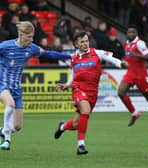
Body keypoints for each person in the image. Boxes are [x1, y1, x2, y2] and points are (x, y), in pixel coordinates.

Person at [0, 21, 71, 150]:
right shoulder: (5, 46)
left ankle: (3, 130)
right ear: (21, 35)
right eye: (29, 37)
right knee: (10, 104)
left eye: (32, 37)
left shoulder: (31, 48)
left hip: (17, 89)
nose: (31, 39)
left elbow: (50, 54)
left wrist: (70, 56)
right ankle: (7, 139)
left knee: (17, 127)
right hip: (2, 85)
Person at [54, 31, 128, 155]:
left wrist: (121, 63)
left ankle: (62, 127)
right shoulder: (73, 58)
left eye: (86, 40)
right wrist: (67, 85)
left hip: (92, 92)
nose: (85, 43)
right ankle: (81, 145)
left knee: (77, 123)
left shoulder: (96, 53)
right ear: (76, 45)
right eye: (82, 42)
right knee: (86, 110)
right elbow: (73, 75)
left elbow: (111, 59)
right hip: (78, 88)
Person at [118, 25, 148, 132]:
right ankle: (135, 113)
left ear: (136, 34)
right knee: (121, 92)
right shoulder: (126, 44)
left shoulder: (140, 43)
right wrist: (124, 62)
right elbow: (128, 57)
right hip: (130, 73)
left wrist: (136, 55)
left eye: (133, 32)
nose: (130, 34)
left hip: (141, 75)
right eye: (129, 32)